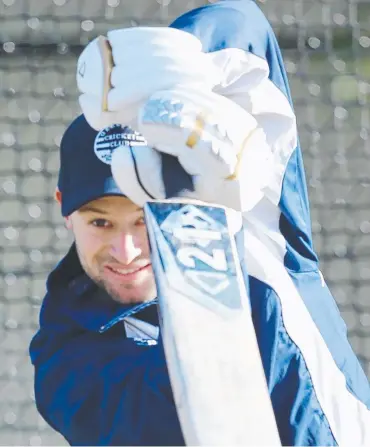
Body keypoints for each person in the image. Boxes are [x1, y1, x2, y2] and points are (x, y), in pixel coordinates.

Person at [29, 0, 370, 445]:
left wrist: (181, 68)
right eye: (101, 224)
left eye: (145, 219)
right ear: (64, 210)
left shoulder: (257, 218)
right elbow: (186, 417)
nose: (127, 250)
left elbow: (244, 26)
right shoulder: (66, 360)